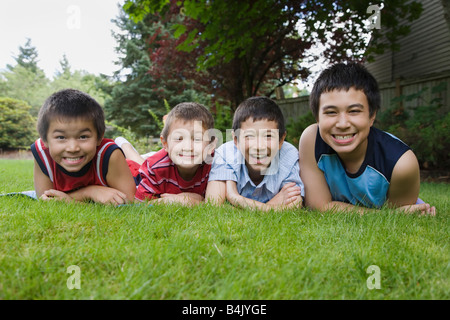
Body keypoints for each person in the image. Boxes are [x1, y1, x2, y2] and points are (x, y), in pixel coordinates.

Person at [298, 63, 436, 215]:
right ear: (317, 118)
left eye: (354, 111)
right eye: (331, 112)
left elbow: (398, 222)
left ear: (372, 116)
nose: (343, 124)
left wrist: (393, 215)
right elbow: (318, 206)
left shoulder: (401, 163)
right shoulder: (311, 139)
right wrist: (385, 215)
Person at [31, 89, 136, 205]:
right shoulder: (42, 154)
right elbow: (46, 200)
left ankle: (125, 146)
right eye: (61, 137)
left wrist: (69, 199)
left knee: (141, 164)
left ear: (99, 137)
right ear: (45, 139)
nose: (72, 148)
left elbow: (130, 200)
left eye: (83, 137)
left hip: (132, 171)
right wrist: (90, 192)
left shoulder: (109, 154)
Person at [206, 96, 304, 211]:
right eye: (249, 136)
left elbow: (295, 204)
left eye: (268, 136)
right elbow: (213, 205)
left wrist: (235, 198)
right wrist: (273, 207)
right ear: (236, 140)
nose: (259, 147)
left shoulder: (288, 155)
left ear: (281, 140)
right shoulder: (225, 154)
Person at [122, 102, 216, 205]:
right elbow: (139, 204)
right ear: (165, 143)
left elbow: (217, 204)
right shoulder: (155, 168)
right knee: (136, 163)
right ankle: (124, 145)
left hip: (166, 159)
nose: (188, 147)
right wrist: (169, 201)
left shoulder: (215, 165)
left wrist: (195, 200)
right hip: (141, 171)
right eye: (179, 138)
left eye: (197, 139)